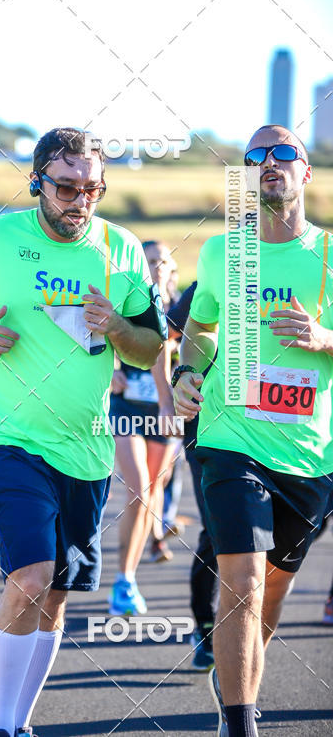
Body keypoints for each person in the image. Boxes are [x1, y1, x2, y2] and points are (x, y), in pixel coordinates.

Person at [0, 127, 165, 737]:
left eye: (92, 189)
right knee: (30, 576)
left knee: (55, 596)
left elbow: (149, 346)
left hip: (85, 448)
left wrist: (120, 329)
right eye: (66, 187)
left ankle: (20, 722)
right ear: (37, 182)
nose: (79, 201)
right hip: (7, 436)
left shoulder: (121, 248)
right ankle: (0, 725)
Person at [173, 125, 333, 736]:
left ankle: (236, 683)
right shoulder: (220, 253)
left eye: (283, 153)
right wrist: (188, 369)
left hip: (308, 454)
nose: (269, 163)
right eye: (255, 158)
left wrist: (321, 339)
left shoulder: (326, 255)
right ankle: (240, 724)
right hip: (228, 440)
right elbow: (200, 327)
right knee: (238, 579)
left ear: (305, 171)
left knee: (265, 602)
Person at [108, 240, 179, 617]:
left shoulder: (182, 308)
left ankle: (134, 569)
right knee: (137, 489)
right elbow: (97, 335)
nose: (154, 266)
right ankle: (124, 580)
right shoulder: (129, 301)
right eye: (148, 260)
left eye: (161, 261)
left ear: (171, 269)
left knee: (153, 489)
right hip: (127, 408)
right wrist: (112, 370)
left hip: (164, 412)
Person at [168, 279, 219, 671]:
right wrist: (173, 383)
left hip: (280, 430)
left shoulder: (307, 270)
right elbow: (162, 339)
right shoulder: (213, 275)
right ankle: (206, 631)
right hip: (208, 428)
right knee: (218, 530)